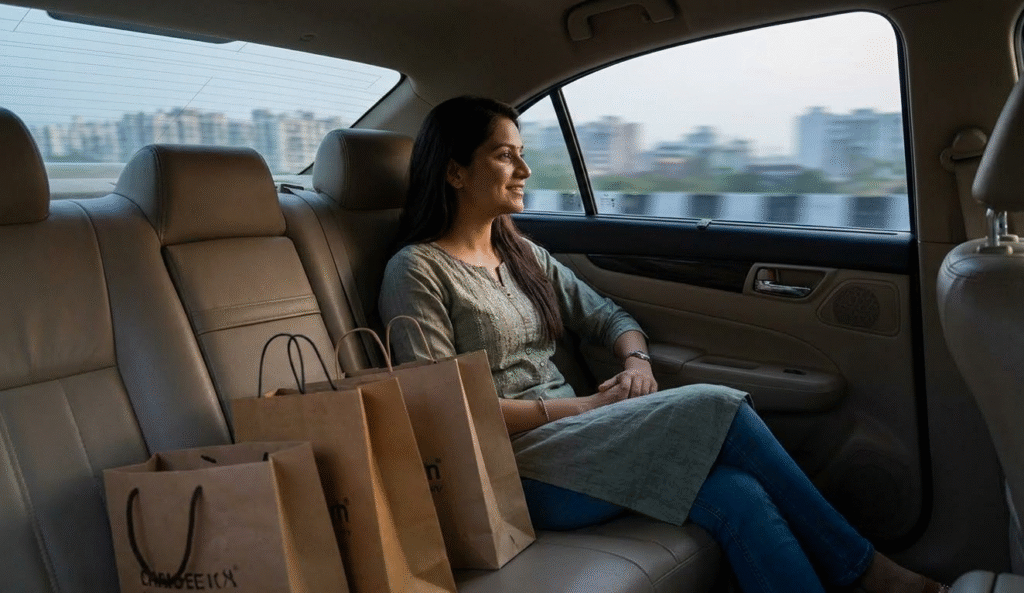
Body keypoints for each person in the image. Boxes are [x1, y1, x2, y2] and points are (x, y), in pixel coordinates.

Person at [378, 95, 946, 593]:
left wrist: (637, 360)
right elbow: (445, 410)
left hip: (579, 440)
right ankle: (868, 572)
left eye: (522, 152)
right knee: (717, 405)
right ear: (455, 172)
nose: (524, 167)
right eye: (505, 154)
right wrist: (588, 407)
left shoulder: (524, 256)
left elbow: (609, 315)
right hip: (515, 471)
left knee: (737, 495)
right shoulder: (418, 271)